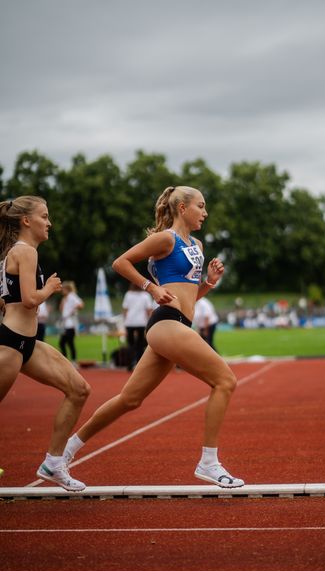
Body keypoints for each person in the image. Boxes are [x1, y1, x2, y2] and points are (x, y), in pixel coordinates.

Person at [64, 185, 244, 488]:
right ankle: (209, 463)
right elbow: (120, 263)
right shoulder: (165, 239)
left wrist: (209, 284)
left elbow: (188, 301)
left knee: (129, 399)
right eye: (201, 206)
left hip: (177, 324)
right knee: (226, 381)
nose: (205, 212)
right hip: (165, 324)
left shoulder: (197, 245)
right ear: (182, 208)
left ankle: (61, 454)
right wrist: (151, 287)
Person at [0, 196, 90, 491]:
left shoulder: (15, 253)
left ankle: (53, 462)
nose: (49, 222)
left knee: (78, 390)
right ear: (26, 221)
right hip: (11, 344)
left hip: (27, 343)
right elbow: (29, 300)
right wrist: (49, 288)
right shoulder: (25, 252)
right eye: (44, 216)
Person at [122, 283, 153, 370]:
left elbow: (125, 309)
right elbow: (149, 310)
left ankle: (129, 364)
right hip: (141, 322)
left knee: (130, 344)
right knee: (141, 344)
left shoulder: (128, 295)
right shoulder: (145, 295)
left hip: (130, 322)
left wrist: (124, 322)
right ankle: (140, 365)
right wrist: (150, 322)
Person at [59, 281, 84, 364]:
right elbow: (62, 310)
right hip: (65, 324)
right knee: (68, 343)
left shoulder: (72, 296)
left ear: (67, 289)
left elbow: (81, 304)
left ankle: (69, 361)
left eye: (63, 289)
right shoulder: (65, 298)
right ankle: (70, 361)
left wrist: (74, 310)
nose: (62, 290)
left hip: (71, 324)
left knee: (64, 343)